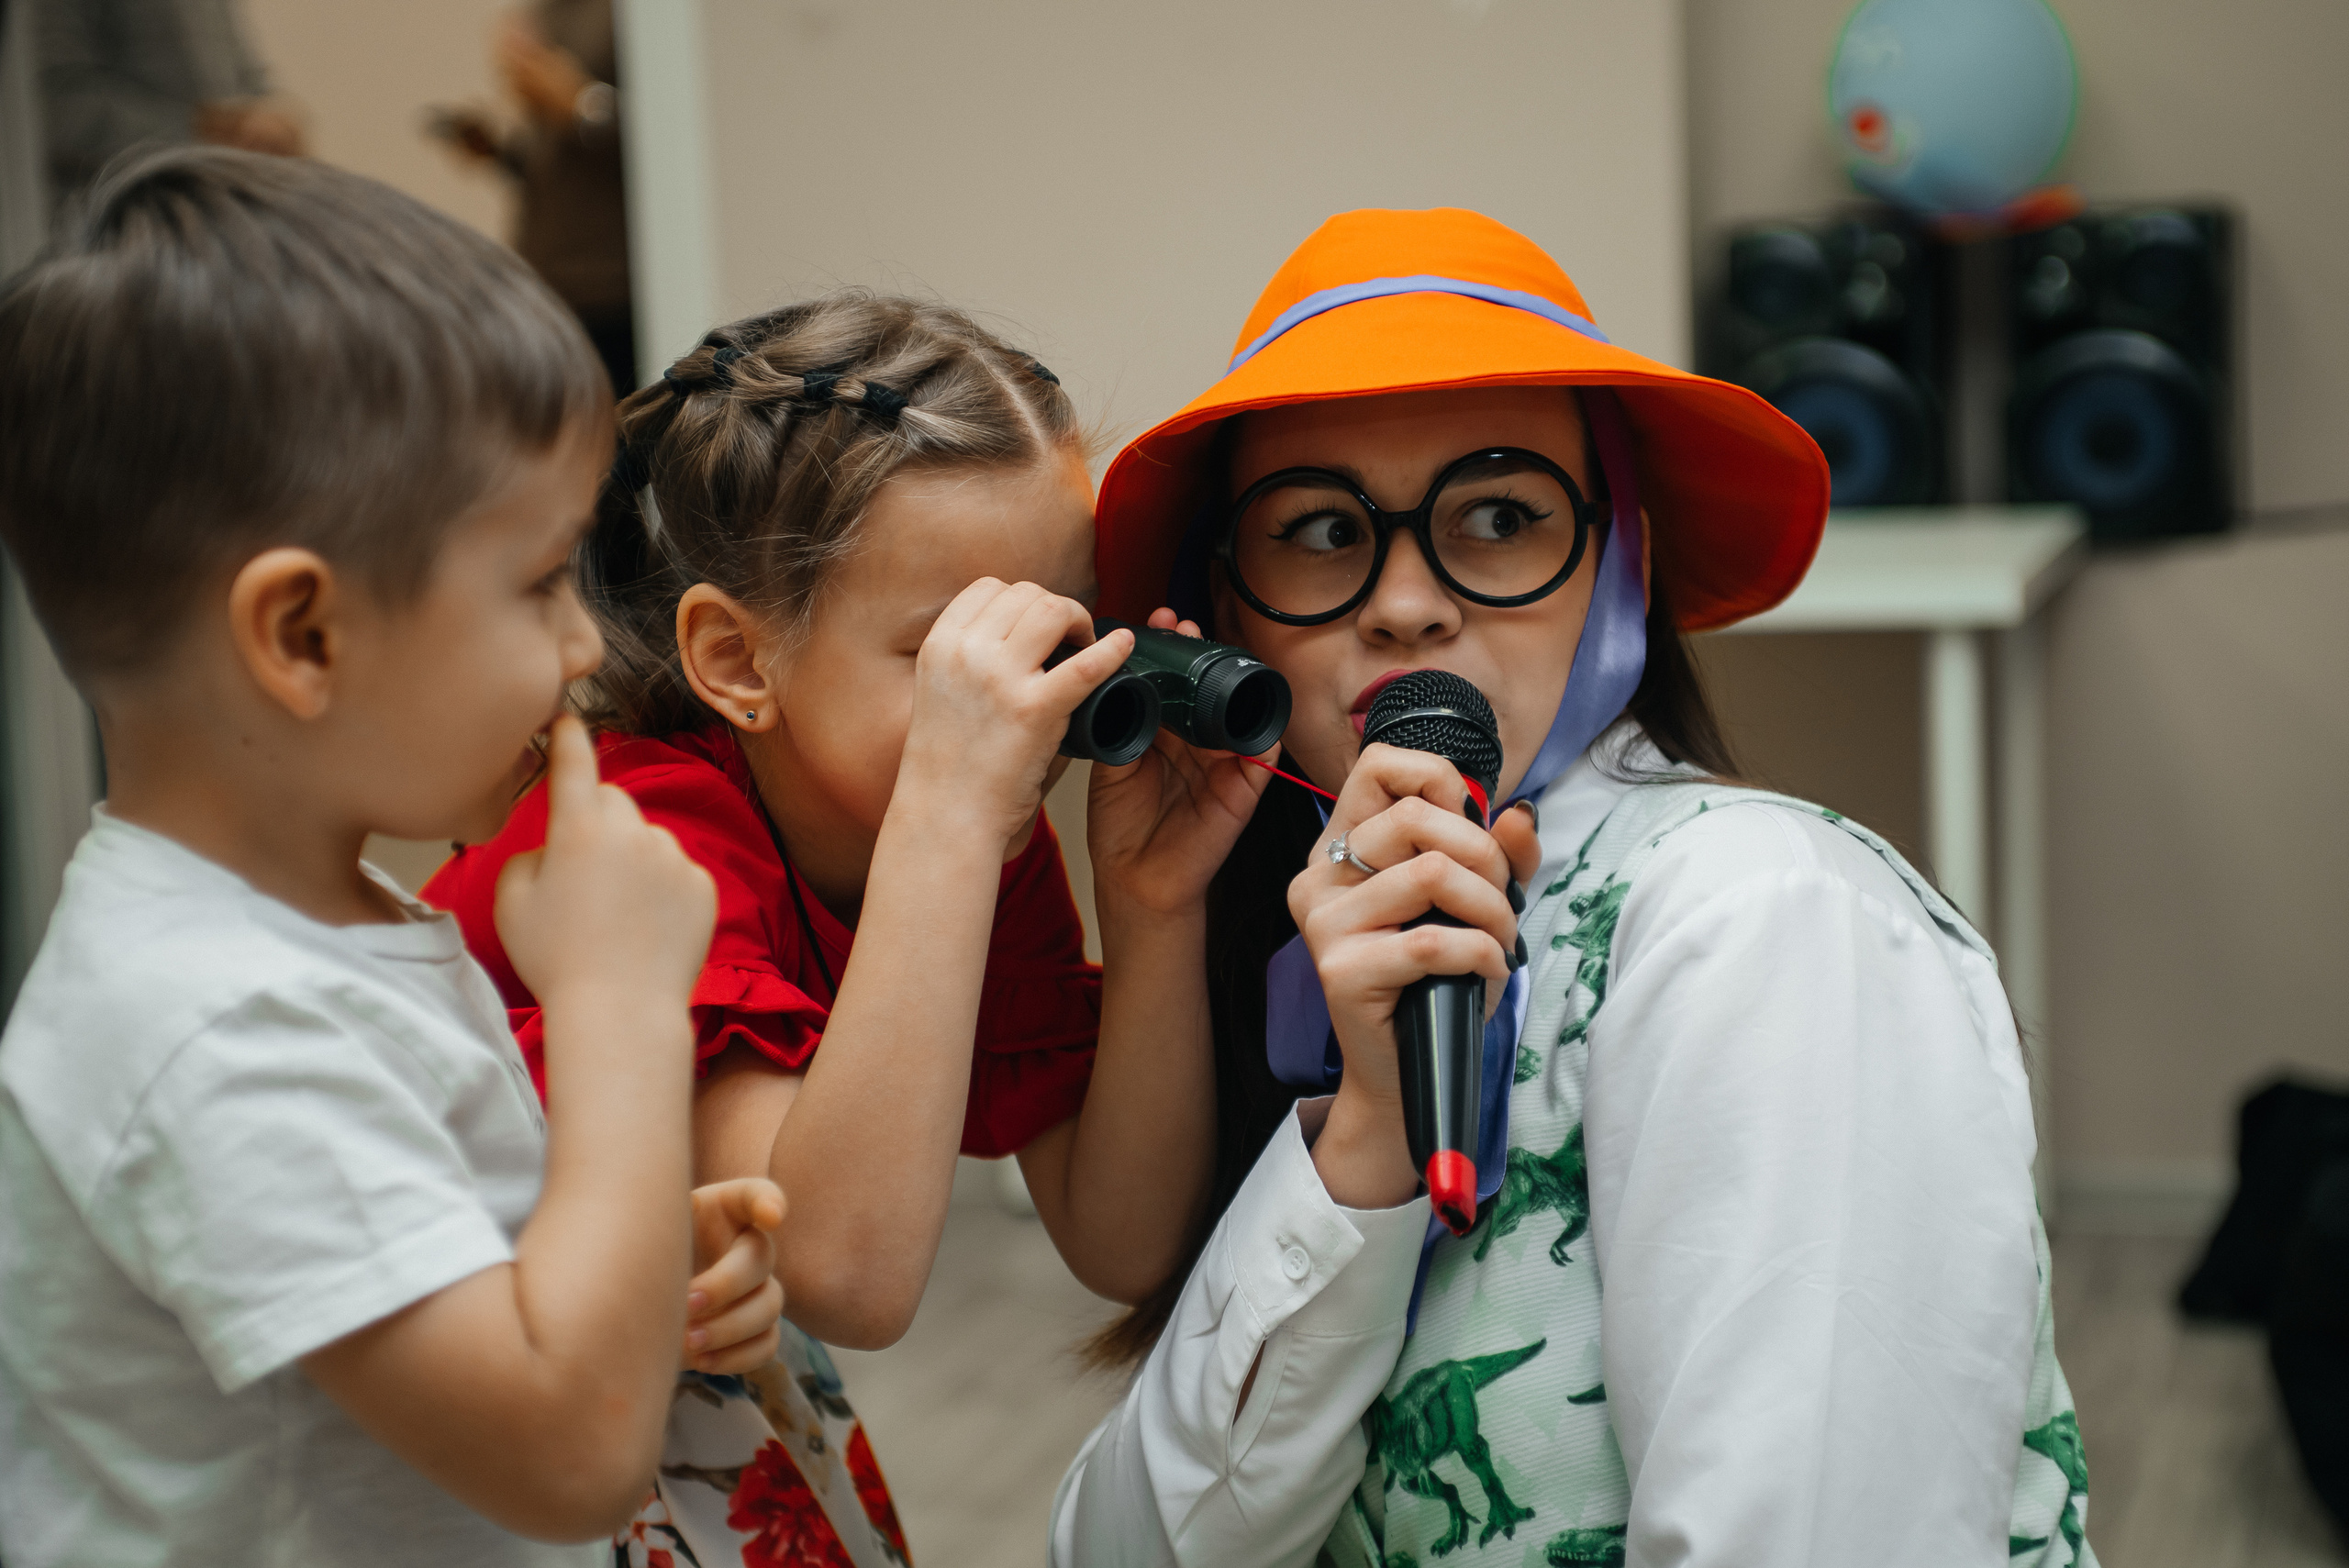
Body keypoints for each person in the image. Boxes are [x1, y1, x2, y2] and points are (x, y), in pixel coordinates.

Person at [1051, 208, 2096, 1567]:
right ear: (1233, 611)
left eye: (1498, 516)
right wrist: (1363, 1133)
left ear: (1623, 567)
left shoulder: (1764, 921)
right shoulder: (1316, 967)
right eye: (1319, 529)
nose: (1409, 603)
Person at [0, 147, 790, 1567]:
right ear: (302, 637)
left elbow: (462, 1295)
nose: (583, 649)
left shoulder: (330, 925)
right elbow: (566, 1453)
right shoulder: (220, 1025)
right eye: (540, 580)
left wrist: (630, 1266)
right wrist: (621, 1007)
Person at [422, 291, 1254, 1565]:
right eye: (953, 657)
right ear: (739, 661)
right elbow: (844, 1271)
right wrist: (951, 814)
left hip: (687, 1402)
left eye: (1057, 632)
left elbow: (1119, 1235)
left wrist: (1149, 905)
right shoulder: (634, 848)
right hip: (487, 1441)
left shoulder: (962, 832)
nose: (1026, 706)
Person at [432, 2, 634, 392]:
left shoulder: (636, 15)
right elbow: (557, 157)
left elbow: (670, 148)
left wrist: (581, 103)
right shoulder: (546, 12)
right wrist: (499, 148)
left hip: (613, 282)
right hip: (546, 276)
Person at [36, 0, 303, 206]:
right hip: (124, 224)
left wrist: (268, 117)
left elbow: (244, 76)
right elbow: (55, 105)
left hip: (219, 216)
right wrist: (200, 131)